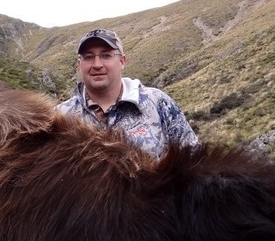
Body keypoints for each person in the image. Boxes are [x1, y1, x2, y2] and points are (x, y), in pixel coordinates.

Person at [56, 29, 198, 158]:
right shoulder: (60, 117)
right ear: (79, 64)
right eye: (88, 57)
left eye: (106, 55)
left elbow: (194, 160)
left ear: (122, 61)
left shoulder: (158, 102)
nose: (97, 64)